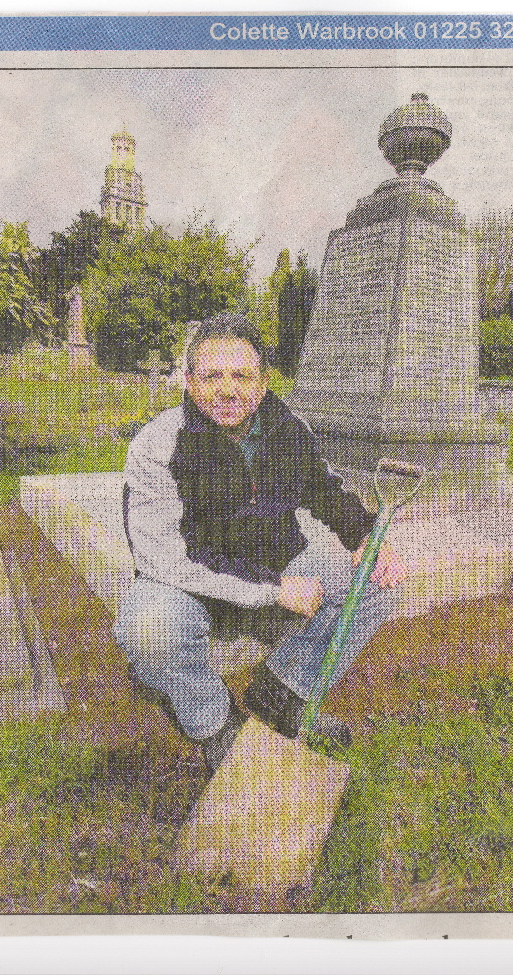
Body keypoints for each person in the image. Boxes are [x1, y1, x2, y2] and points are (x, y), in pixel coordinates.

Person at [115, 312, 405, 772]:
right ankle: (215, 725)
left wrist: (363, 534)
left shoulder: (285, 427)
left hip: (274, 564)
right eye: (211, 376)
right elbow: (164, 558)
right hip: (187, 582)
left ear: (263, 382)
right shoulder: (158, 443)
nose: (227, 390)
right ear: (189, 382)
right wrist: (274, 590)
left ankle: (282, 694)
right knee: (146, 626)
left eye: (241, 376)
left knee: (375, 582)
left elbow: (322, 488)